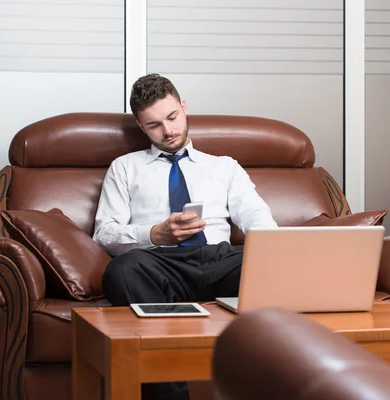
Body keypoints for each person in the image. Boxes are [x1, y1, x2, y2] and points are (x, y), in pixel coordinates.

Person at [92, 73, 278, 400]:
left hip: (221, 260)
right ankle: (170, 393)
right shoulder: (124, 167)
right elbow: (104, 232)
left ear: (184, 107)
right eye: (153, 125)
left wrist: (272, 251)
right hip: (160, 265)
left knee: (278, 266)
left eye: (172, 117)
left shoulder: (223, 167)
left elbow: (256, 214)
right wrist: (155, 234)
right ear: (140, 126)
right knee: (122, 270)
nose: (167, 131)